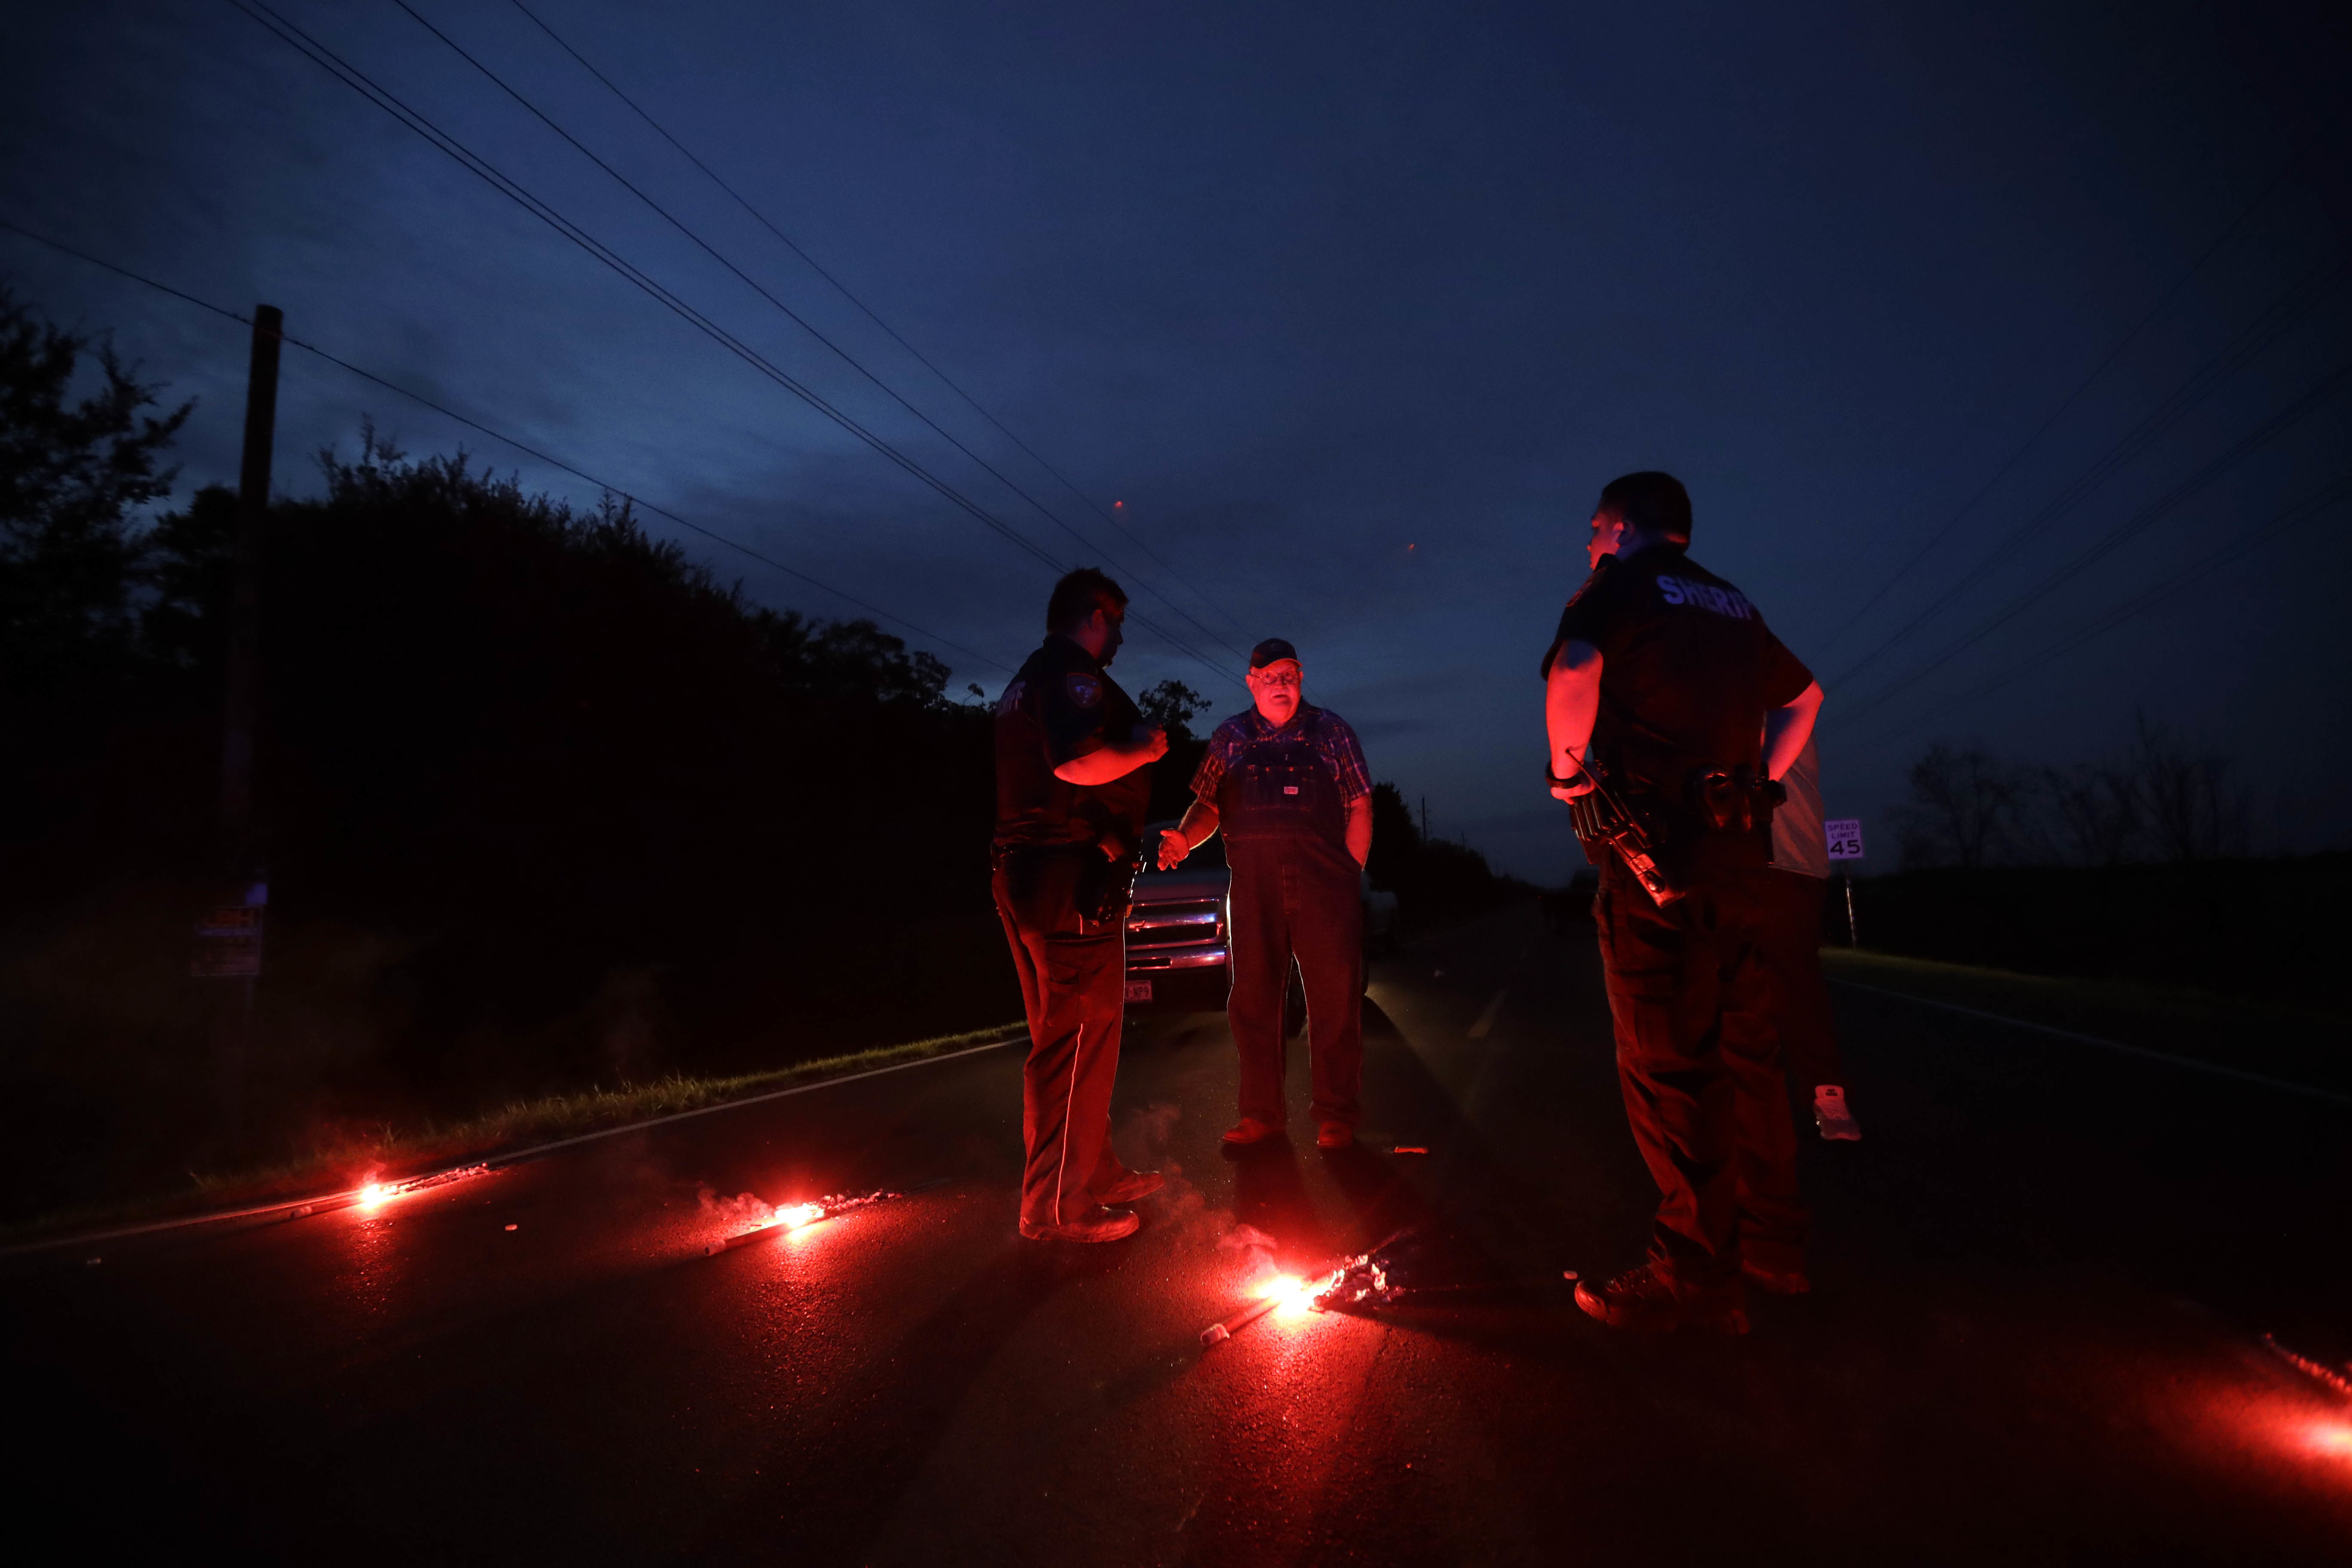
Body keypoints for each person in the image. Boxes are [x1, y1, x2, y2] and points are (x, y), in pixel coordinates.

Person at [1542, 471, 1824, 1333]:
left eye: (1596, 527)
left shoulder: (1617, 587)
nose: (1590, 541)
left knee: (1672, 1063)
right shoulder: (1734, 603)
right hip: (1743, 858)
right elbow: (1807, 698)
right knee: (1750, 1055)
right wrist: (1757, 781)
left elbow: (1577, 666)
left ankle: (1697, 1278)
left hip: (1654, 859)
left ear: (1624, 527)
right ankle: (1775, 1249)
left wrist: (1564, 770)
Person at [992, 568, 1170, 1243]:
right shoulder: (1070, 673)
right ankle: (1056, 1208)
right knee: (1075, 1042)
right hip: (1065, 881)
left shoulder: (1024, 680)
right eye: (1117, 623)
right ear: (1094, 615)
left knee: (1068, 1037)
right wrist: (1143, 747)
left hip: (1029, 874)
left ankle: (1095, 1170)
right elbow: (1073, 765)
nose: (1120, 637)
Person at [1157, 638, 1374, 1150]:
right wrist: (1183, 839)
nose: (1282, 686)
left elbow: (1361, 804)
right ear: (1251, 682)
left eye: (1290, 676)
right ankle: (1261, 1116)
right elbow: (1207, 804)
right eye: (1271, 677)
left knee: (1335, 1002)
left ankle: (1336, 1115)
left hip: (1324, 886)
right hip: (1253, 888)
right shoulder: (1230, 736)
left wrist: (1349, 874)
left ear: (1301, 678)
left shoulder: (1331, 731)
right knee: (1253, 1001)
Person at [1759, 734, 1862, 1142]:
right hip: (1732, 863)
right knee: (1730, 986)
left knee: (1796, 983)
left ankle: (1826, 1091)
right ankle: (1750, 1108)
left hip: (1789, 862)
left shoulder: (1780, 697)